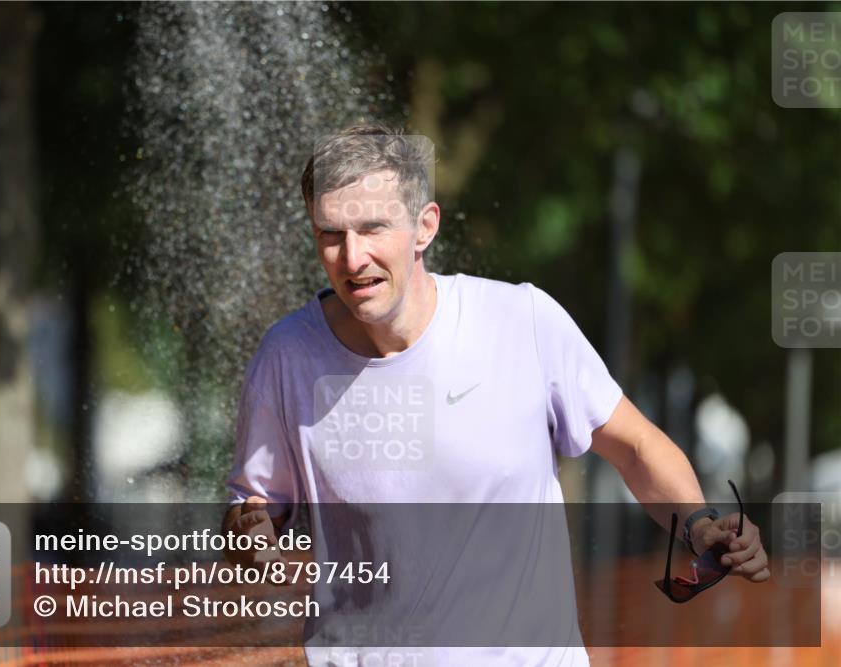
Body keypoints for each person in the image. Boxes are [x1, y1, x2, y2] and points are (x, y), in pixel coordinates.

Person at [222, 124, 769, 666]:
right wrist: (250, 537)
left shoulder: (522, 320)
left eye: (373, 229)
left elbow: (635, 446)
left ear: (424, 227)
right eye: (331, 235)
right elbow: (250, 515)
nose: (353, 258)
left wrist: (700, 524)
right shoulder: (287, 355)